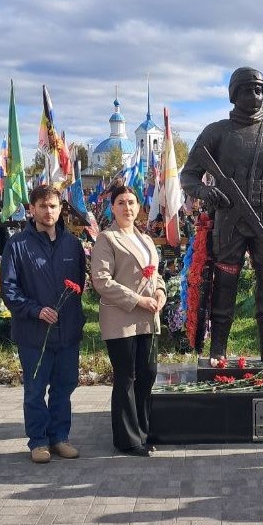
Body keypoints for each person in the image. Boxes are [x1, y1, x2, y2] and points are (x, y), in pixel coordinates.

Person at [180, 66, 263, 363]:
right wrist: (205, 191)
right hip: (229, 219)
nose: (255, 95)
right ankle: (218, 349)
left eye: (259, 89)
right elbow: (188, 176)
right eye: (248, 89)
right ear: (234, 94)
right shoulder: (216, 132)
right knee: (225, 280)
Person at [1, 186, 86, 464]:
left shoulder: (72, 244)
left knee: (64, 387)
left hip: (67, 333)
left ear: (60, 209)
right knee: (35, 390)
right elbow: (9, 289)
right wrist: (36, 311)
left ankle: (60, 437)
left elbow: (79, 286)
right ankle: (38, 441)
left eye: (53, 206)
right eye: (42, 206)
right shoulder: (17, 245)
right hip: (34, 334)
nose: (48, 211)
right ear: (32, 209)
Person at [91, 184, 167, 456]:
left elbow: (156, 274)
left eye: (131, 202)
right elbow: (101, 280)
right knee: (127, 377)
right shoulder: (107, 239)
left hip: (148, 317)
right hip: (121, 319)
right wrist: (138, 300)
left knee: (147, 374)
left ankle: (143, 431)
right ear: (112, 207)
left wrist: (160, 292)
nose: (127, 207)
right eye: (121, 202)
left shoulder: (144, 238)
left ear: (139, 207)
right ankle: (128, 440)